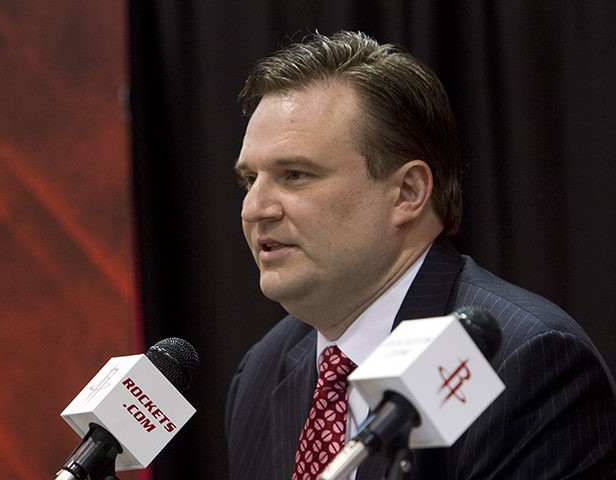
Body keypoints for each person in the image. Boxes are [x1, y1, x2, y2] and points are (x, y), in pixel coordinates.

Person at [225, 30, 616, 479]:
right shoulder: (261, 372)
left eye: (295, 174)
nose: (254, 209)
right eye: (248, 180)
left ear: (408, 192)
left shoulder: (521, 361)